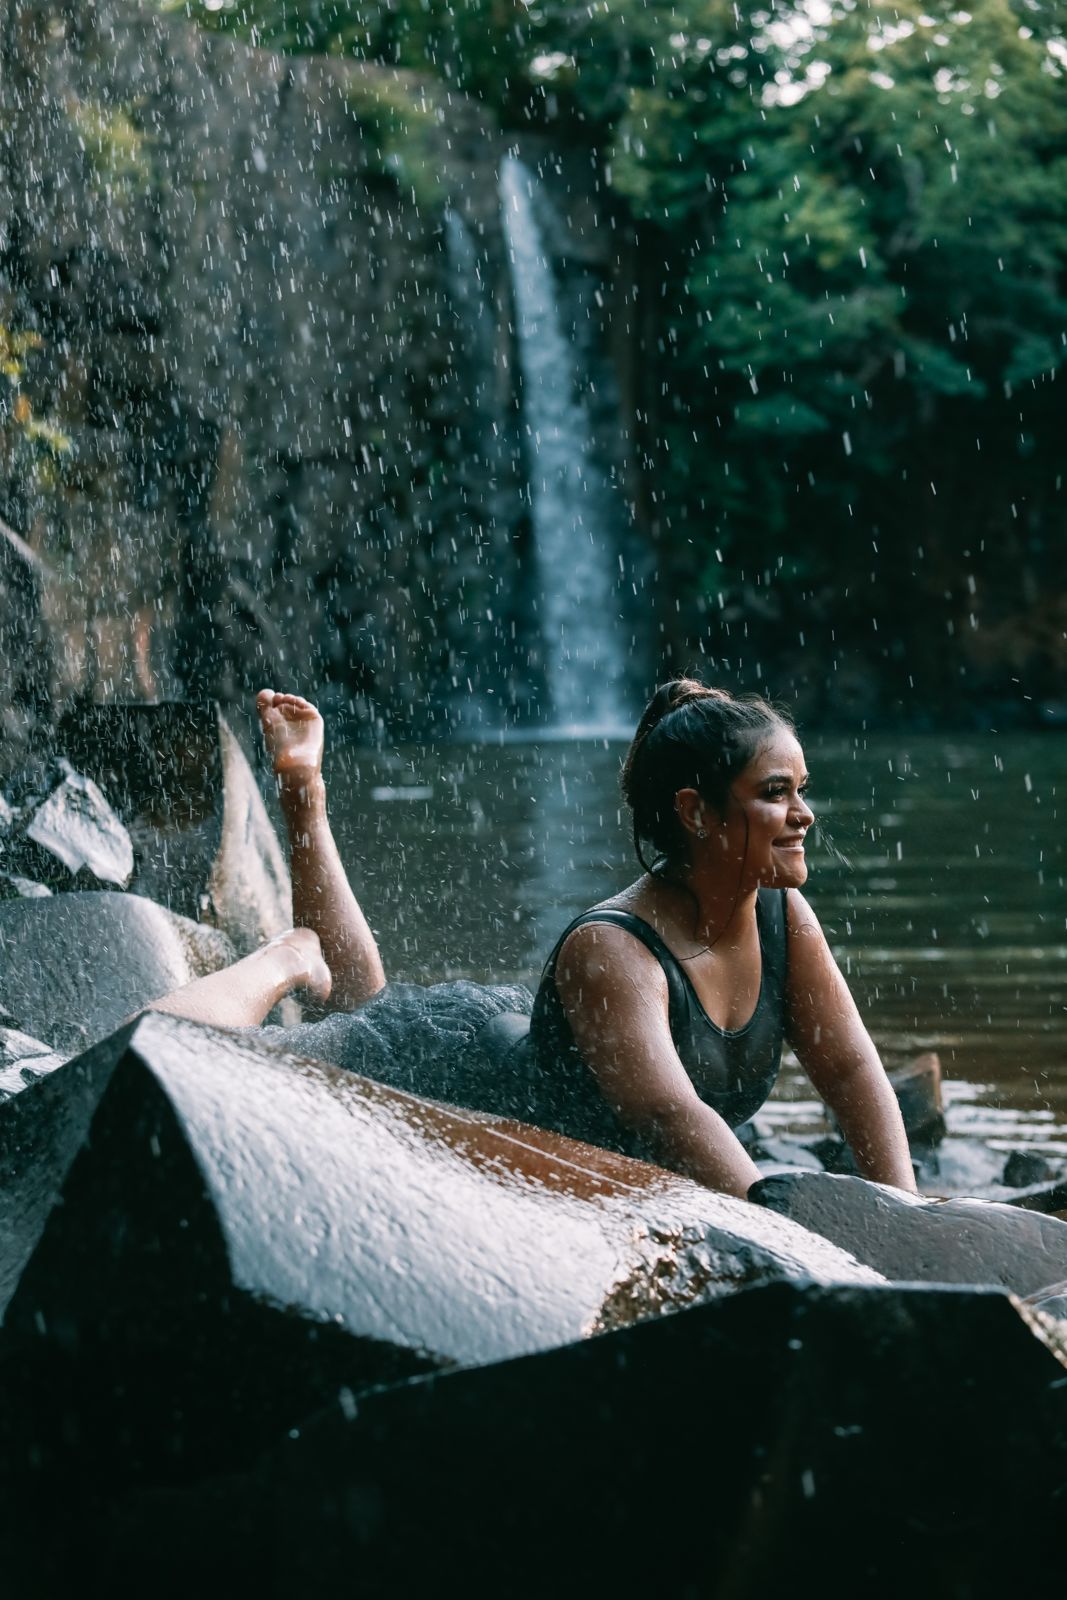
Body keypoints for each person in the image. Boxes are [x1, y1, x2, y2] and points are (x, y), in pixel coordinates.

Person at [153, 682, 916, 1200]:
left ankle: (304, 805)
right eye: (775, 793)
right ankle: (289, 954)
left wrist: (905, 1217)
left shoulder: (782, 916)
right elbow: (669, 1121)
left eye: (800, 791)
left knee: (362, 1004)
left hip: (499, 1037)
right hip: (448, 1070)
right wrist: (786, 1236)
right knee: (175, 1048)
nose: (803, 815)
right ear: (696, 812)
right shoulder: (612, 950)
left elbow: (849, 1070)